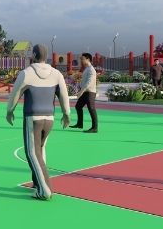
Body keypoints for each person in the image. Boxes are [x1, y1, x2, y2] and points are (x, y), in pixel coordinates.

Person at [6, 44, 71, 201]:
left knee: (32, 152)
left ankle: (45, 190)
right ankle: (37, 182)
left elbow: (15, 94)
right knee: (41, 149)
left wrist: (10, 111)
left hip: (32, 118)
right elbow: (64, 95)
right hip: (49, 118)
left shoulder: (26, 73)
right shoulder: (56, 74)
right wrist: (66, 114)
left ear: (34, 55)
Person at [72, 52, 98, 133]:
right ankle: (80, 124)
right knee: (78, 106)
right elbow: (84, 81)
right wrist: (79, 88)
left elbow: (88, 83)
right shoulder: (86, 69)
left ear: (88, 59)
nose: (81, 60)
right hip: (85, 92)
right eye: (81, 59)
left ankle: (94, 128)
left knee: (91, 109)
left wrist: (81, 92)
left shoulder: (91, 70)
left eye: (82, 59)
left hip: (90, 93)